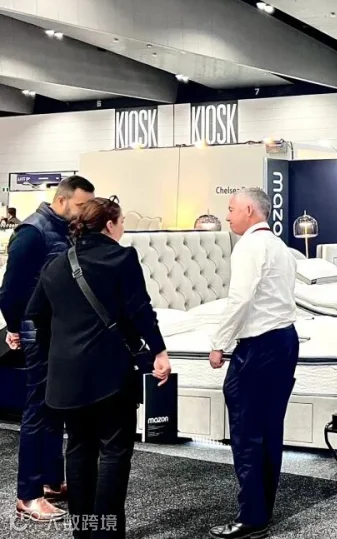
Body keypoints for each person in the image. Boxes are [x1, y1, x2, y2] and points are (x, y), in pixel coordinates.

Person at [25, 196, 170, 538]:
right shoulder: (122, 257)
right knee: (114, 453)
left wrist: (58, 351)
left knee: (78, 449)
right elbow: (140, 310)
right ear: (109, 225)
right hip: (110, 376)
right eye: (121, 223)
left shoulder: (56, 263)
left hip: (67, 378)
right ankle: (106, 534)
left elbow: (36, 313)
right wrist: (159, 351)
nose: (123, 229)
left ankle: (84, 531)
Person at [0, 175, 95, 522]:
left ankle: (51, 482)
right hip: (38, 331)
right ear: (62, 200)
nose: (84, 211)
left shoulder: (67, 230)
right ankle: (28, 495)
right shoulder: (32, 232)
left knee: (55, 408)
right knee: (38, 411)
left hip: (59, 332)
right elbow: (10, 291)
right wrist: (15, 327)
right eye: (81, 205)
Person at [208, 188, 300, 539]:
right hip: (284, 341)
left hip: (259, 346)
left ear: (249, 210)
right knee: (270, 430)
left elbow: (240, 299)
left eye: (231, 209)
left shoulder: (249, 246)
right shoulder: (280, 246)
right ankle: (261, 512)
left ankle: (250, 518)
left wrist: (219, 343)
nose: (227, 215)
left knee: (247, 433)